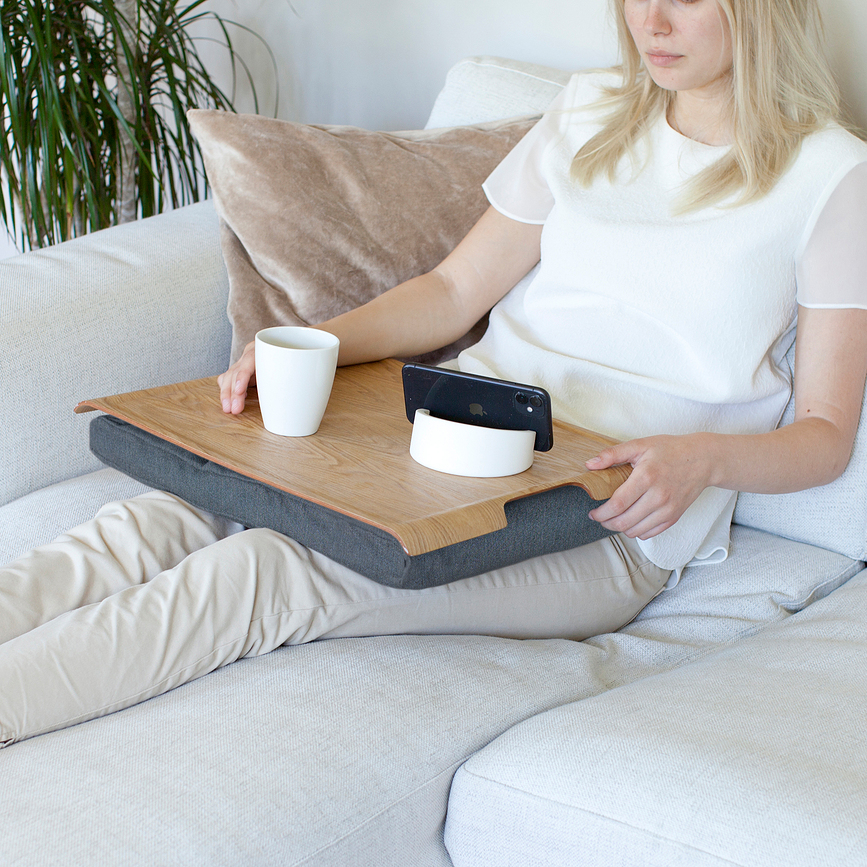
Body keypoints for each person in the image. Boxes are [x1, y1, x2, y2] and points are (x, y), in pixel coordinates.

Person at [2, 0, 866, 747]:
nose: (652, 20)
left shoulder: (831, 178)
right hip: (450, 443)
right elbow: (453, 290)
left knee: (269, 572)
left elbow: (825, 436)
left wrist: (701, 460)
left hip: (607, 523)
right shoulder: (591, 110)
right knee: (171, 508)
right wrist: (310, 346)